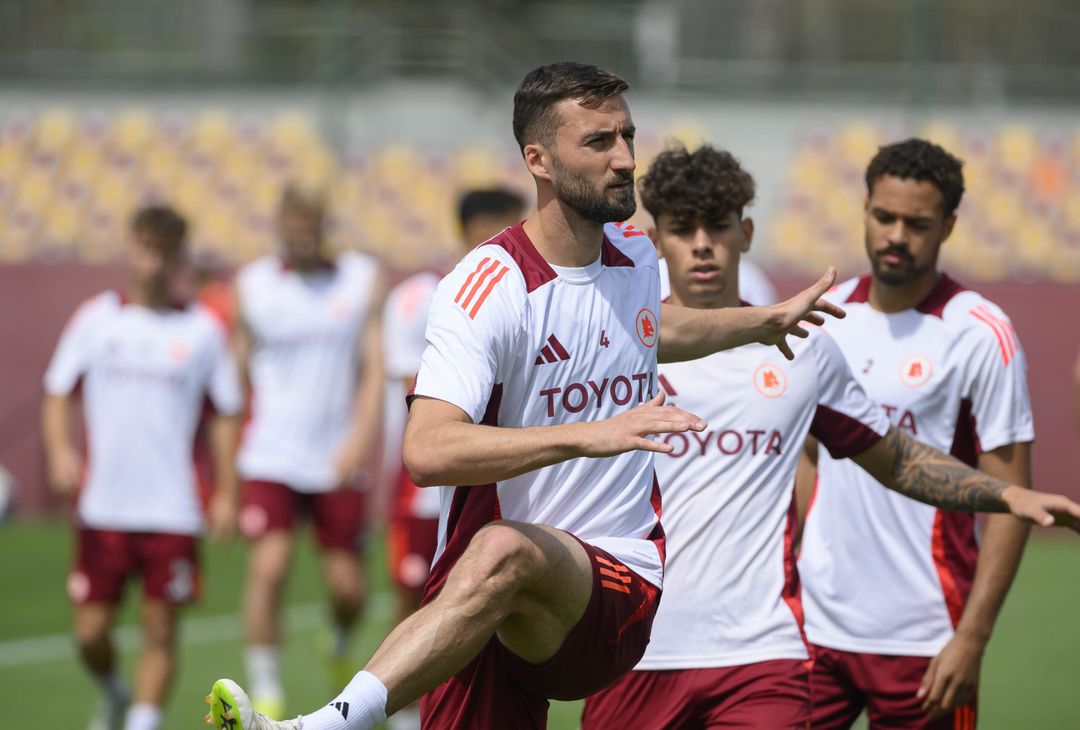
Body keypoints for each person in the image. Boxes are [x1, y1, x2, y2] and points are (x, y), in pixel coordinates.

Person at [202, 60, 910, 730]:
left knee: (505, 548)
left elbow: (653, 326)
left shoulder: (633, 255)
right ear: (538, 160)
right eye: (600, 141)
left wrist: (761, 322)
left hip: (615, 584)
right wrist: (587, 434)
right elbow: (426, 449)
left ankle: (326, 721)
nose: (626, 158)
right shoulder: (486, 288)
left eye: (627, 135)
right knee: (495, 558)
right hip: (485, 603)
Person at [581, 144, 1080, 729]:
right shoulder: (616, 344)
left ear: (744, 232)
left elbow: (893, 456)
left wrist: (1007, 496)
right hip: (637, 649)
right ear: (654, 237)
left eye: (716, 227)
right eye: (682, 229)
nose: (701, 245)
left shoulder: (804, 344)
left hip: (764, 655)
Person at [796, 138, 1041, 729]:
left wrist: (972, 639)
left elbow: (1010, 500)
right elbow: (807, 453)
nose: (896, 236)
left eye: (917, 223)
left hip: (927, 637)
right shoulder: (822, 318)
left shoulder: (980, 332)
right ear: (864, 209)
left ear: (949, 225)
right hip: (815, 629)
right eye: (884, 217)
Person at [42, 205, 242, 730]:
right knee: (89, 632)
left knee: (160, 629)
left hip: (172, 507)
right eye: (144, 248)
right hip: (103, 504)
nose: (152, 262)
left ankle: (143, 721)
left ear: (179, 257)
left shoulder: (202, 329)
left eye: (164, 251)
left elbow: (224, 413)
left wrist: (224, 491)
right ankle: (114, 693)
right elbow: (58, 391)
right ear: (129, 248)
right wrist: (62, 451)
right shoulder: (95, 318)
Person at [233, 184, 387, 719]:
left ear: (322, 224)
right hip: (269, 454)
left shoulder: (359, 279)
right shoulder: (253, 286)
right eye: (292, 222)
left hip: (334, 458)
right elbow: (235, 374)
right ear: (279, 223)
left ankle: (339, 645)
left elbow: (372, 369)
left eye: (310, 223)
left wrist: (358, 442)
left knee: (349, 588)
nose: (300, 233)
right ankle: (266, 688)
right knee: (269, 569)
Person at [380, 188, 525, 730]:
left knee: (484, 608)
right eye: (489, 229)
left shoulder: (524, 294)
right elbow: (413, 389)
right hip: (427, 480)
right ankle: (399, 713)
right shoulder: (426, 299)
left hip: (498, 478)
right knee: (415, 599)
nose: (498, 242)